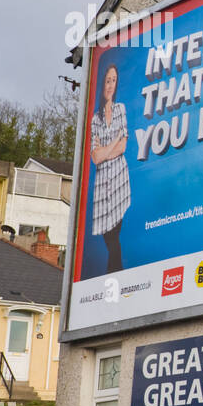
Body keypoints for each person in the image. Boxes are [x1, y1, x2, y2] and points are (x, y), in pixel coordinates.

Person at [89, 62, 131, 273]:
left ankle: (113, 277)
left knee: (114, 232)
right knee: (109, 236)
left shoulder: (120, 109)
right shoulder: (95, 119)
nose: (110, 85)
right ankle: (116, 276)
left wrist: (110, 147)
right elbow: (95, 157)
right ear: (102, 84)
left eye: (113, 81)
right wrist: (113, 143)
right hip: (102, 182)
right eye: (107, 80)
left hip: (118, 177)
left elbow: (123, 146)